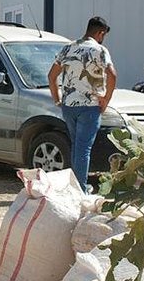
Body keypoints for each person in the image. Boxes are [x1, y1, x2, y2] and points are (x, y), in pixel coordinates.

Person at [47, 16, 117, 193]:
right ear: (100, 33)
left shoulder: (68, 48)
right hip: (90, 105)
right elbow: (112, 75)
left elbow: (51, 76)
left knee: (76, 146)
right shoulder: (100, 50)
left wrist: (57, 98)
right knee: (84, 148)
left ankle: (74, 186)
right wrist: (105, 99)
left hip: (69, 105)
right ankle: (80, 189)